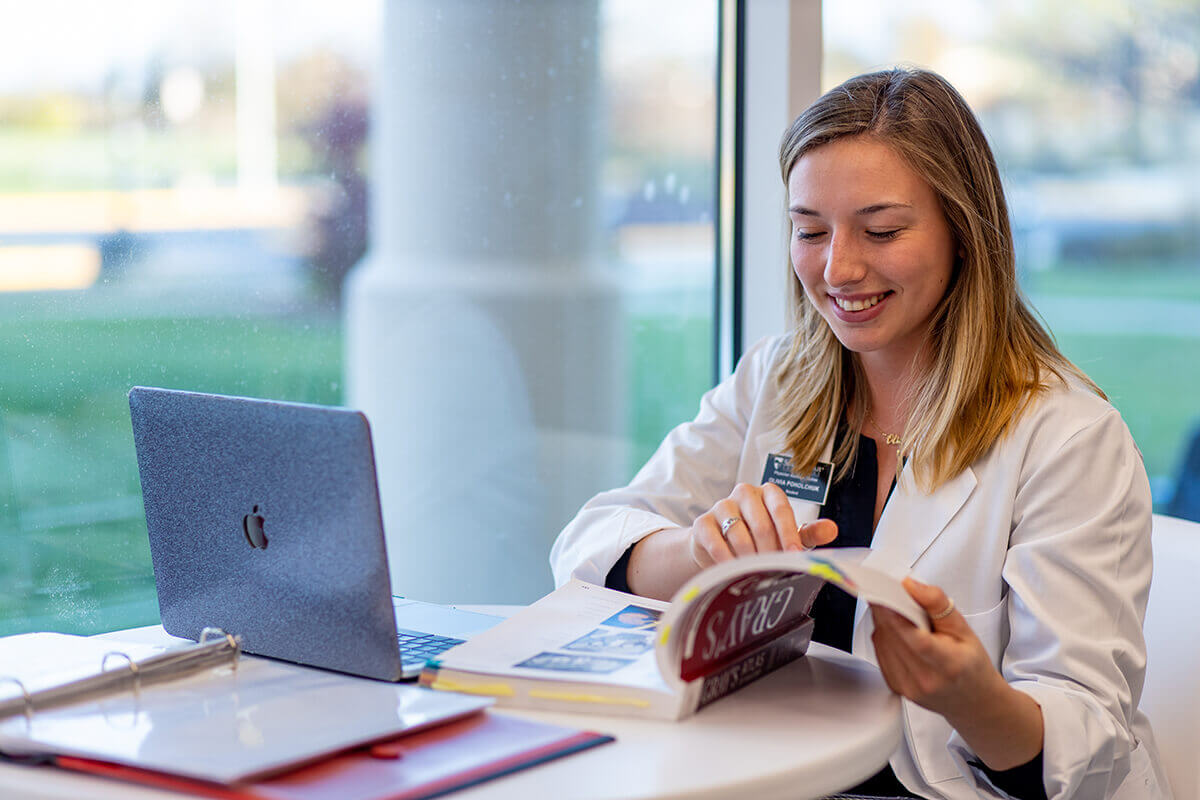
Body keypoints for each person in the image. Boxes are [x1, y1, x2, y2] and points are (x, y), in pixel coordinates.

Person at [550, 68, 1170, 800]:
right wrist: (699, 553)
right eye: (809, 230)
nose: (837, 268)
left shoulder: (1069, 439)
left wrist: (970, 695)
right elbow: (587, 547)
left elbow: (1084, 748)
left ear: (964, 232)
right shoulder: (776, 381)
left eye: (881, 230)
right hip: (774, 773)